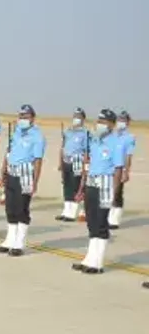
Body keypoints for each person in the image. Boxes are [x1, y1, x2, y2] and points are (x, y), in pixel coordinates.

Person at [72, 109, 124, 274]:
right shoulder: (94, 140)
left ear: (112, 124)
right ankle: (89, 258)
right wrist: (82, 187)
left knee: (101, 223)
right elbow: (88, 165)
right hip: (91, 183)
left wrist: (114, 193)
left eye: (105, 121)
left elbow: (118, 170)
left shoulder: (116, 142)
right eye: (99, 121)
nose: (100, 124)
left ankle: (97, 263)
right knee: (91, 222)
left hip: (106, 184)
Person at [0, 104, 46, 257]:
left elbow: (38, 160)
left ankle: (19, 243)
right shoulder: (16, 133)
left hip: (26, 174)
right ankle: (9, 240)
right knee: (10, 207)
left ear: (32, 118)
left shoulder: (37, 136)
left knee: (22, 208)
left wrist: (35, 181)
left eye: (26, 117)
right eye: (21, 117)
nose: (23, 119)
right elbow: (9, 152)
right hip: (12, 172)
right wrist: (3, 170)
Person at [55, 107, 89, 221]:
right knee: (67, 186)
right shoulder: (68, 132)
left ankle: (73, 213)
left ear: (83, 119)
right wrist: (60, 162)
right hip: (66, 161)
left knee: (76, 186)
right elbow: (63, 147)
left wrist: (86, 166)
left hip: (78, 162)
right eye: (75, 116)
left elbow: (86, 151)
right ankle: (66, 211)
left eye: (79, 117)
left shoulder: (85, 133)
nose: (76, 119)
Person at [108, 110, 136, 229]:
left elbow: (128, 156)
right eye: (119, 120)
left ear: (128, 123)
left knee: (118, 193)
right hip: (108, 168)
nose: (121, 122)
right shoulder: (111, 136)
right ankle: (108, 216)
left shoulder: (129, 138)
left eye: (123, 120)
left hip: (119, 168)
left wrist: (126, 171)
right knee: (107, 192)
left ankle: (115, 219)